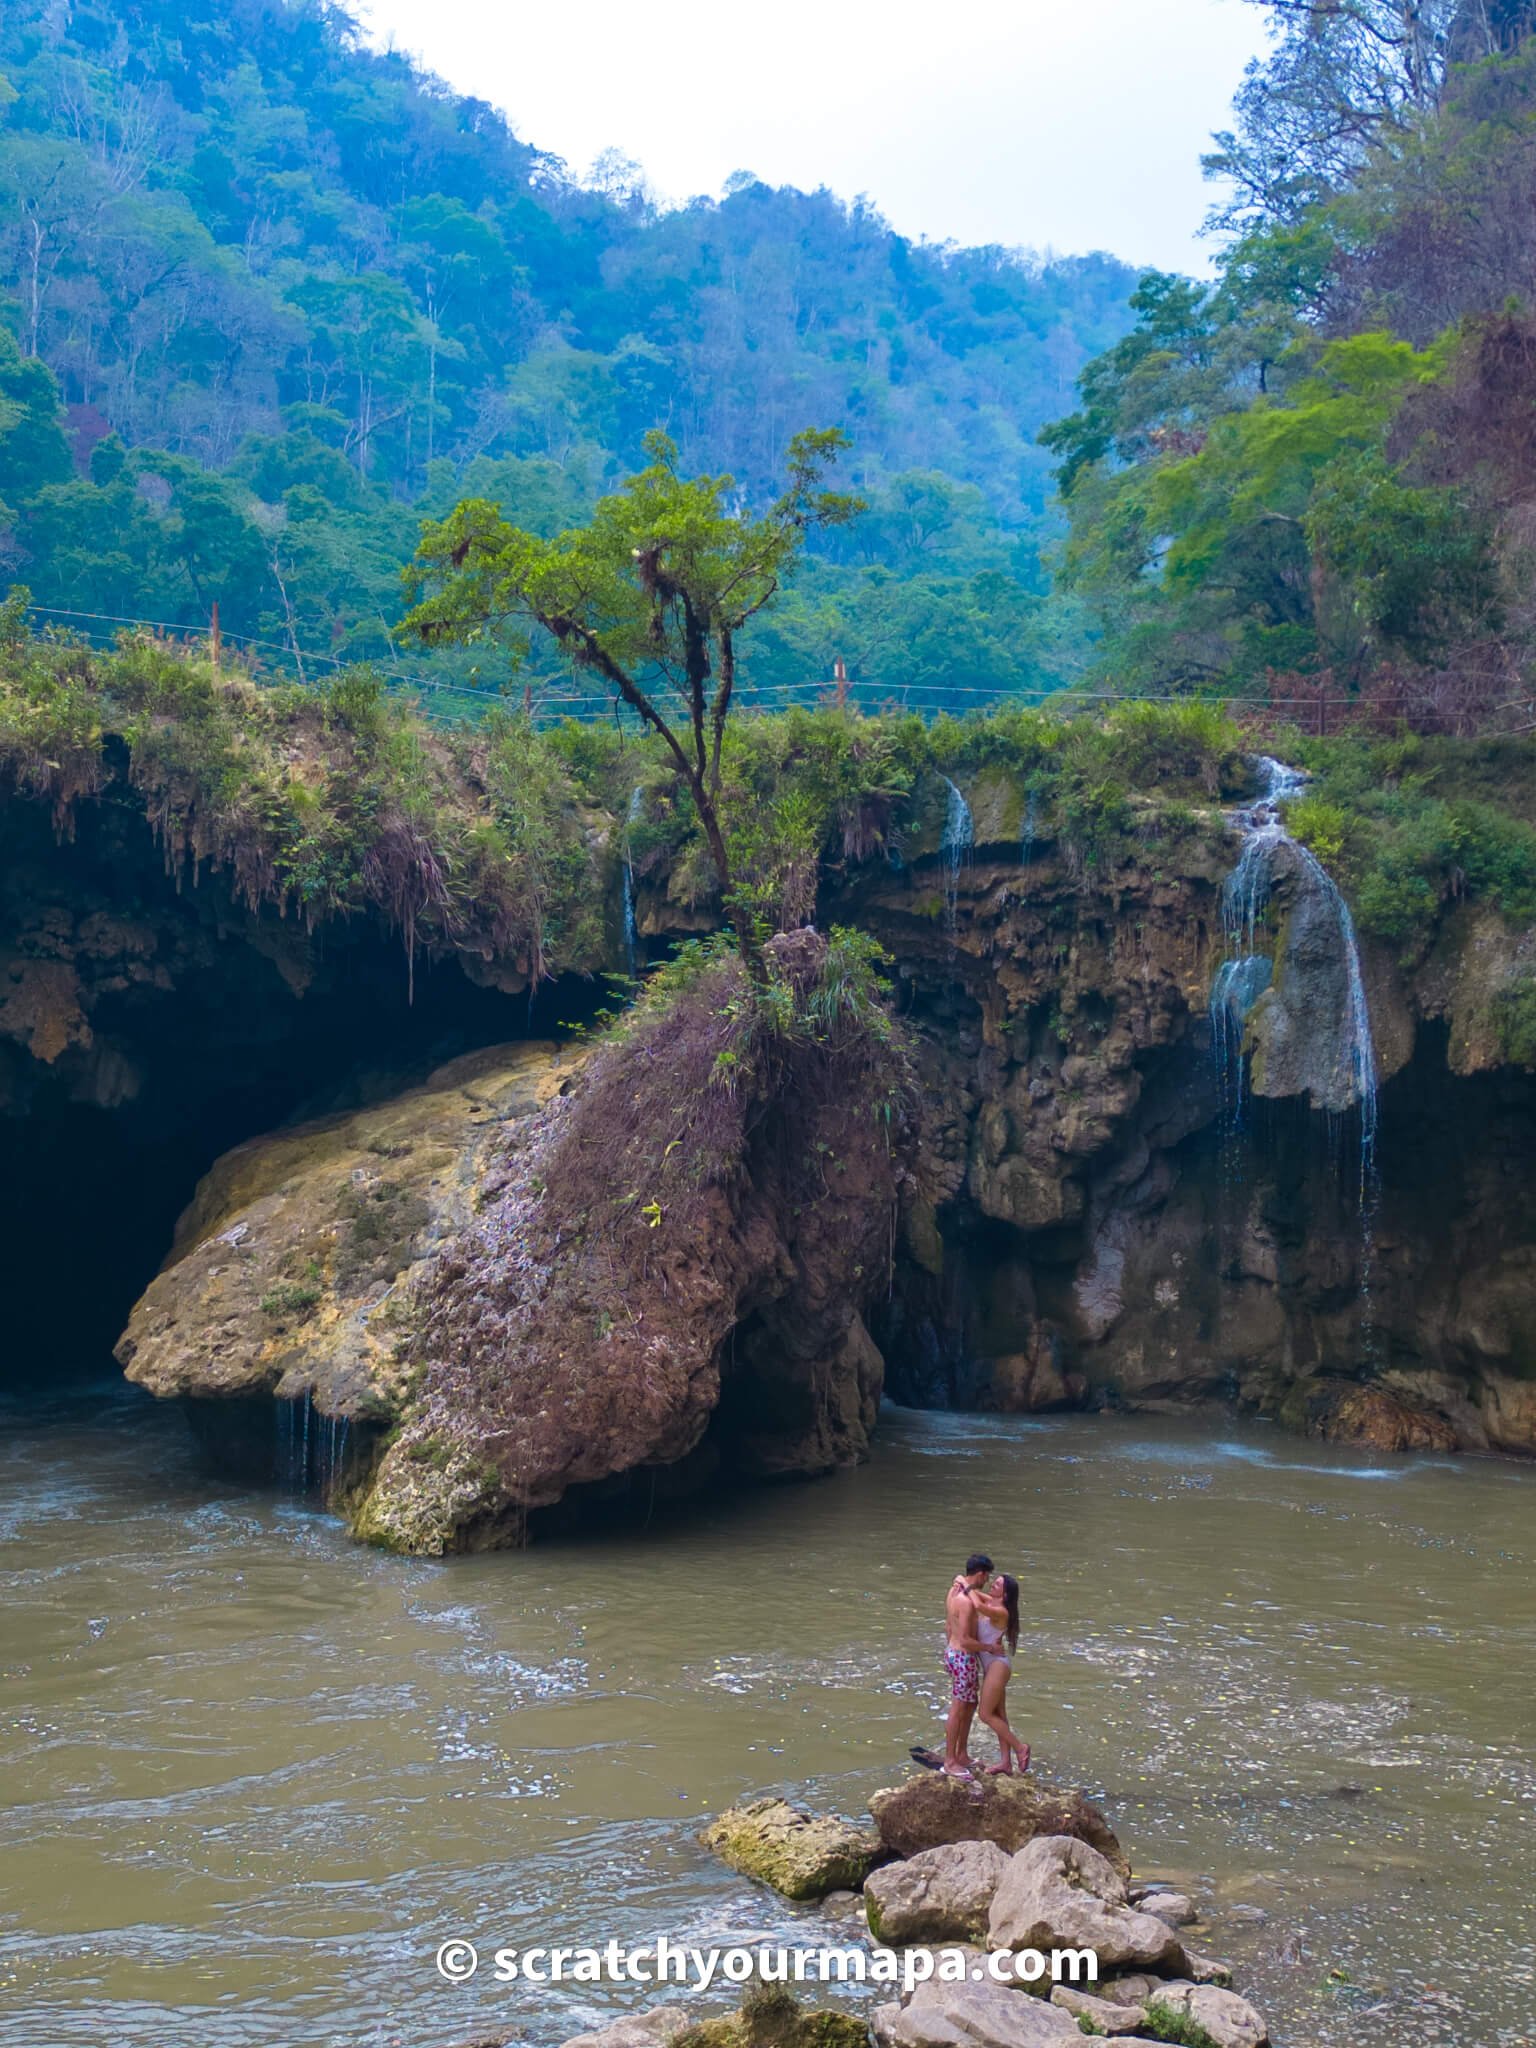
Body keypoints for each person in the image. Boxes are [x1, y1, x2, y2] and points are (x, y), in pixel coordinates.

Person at [970, 1572, 1030, 1775]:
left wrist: (962, 1583)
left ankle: (1020, 1748)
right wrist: (968, 1588)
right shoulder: (993, 1604)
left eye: (997, 1585)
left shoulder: (1001, 1611)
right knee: (999, 1715)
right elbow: (978, 1597)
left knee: (985, 1714)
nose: (992, 1585)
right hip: (993, 1665)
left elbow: (977, 1605)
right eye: (993, 1582)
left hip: (997, 1666)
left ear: (1004, 1595)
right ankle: (1005, 1763)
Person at [941, 1552, 993, 1778]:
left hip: (955, 1654)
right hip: (963, 1657)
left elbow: (948, 1627)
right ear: (980, 1574)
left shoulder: (954, 1591)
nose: (987, 1582)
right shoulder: (966, 1602)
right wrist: (990, 1649)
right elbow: (966, 1640)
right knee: (959, 1709)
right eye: (987, 1577)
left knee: (970, 1705)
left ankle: (961, 1754)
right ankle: (950, 1761)